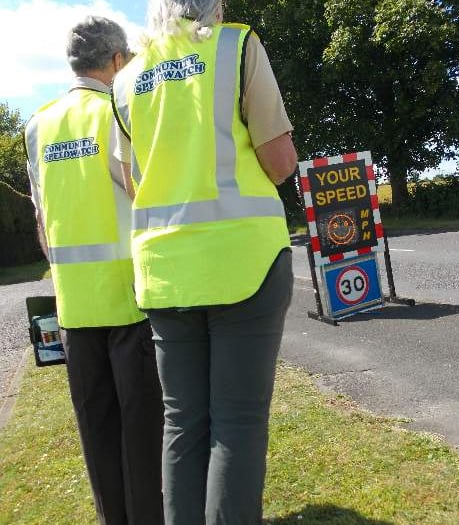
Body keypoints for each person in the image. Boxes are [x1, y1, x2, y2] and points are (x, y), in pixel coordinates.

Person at [111, 0, 298, 523]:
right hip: (245, 261)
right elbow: (280, 163)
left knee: (182, 423)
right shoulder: (236, 46)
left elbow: (133, 183)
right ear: (214, 4)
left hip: (166, 270)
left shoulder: (125, 82)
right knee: (236, 422)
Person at [24, 16, 164, 525]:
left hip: (74, 305)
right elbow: (144, 192)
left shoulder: (37, 124)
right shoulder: (116, 110)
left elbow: (43, 220)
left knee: (96, 427)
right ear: (117, 61)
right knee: (142, 430)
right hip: (129, 298)